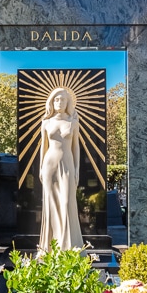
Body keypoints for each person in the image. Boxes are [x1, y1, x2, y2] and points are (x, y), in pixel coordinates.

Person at [39, 87, 84, 252]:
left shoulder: (73, 122)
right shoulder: (46, 122)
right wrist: (40, 168)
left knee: (66, 203)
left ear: (68, 102)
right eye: (56, 99)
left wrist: (77, 169)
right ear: (52, 101)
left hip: (67, 164)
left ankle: (68, 247)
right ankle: (49, 249)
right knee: (50, 205)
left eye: (62, 99)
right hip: (49, 165)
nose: (59, 102)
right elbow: (43, 147)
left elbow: (76, 147)